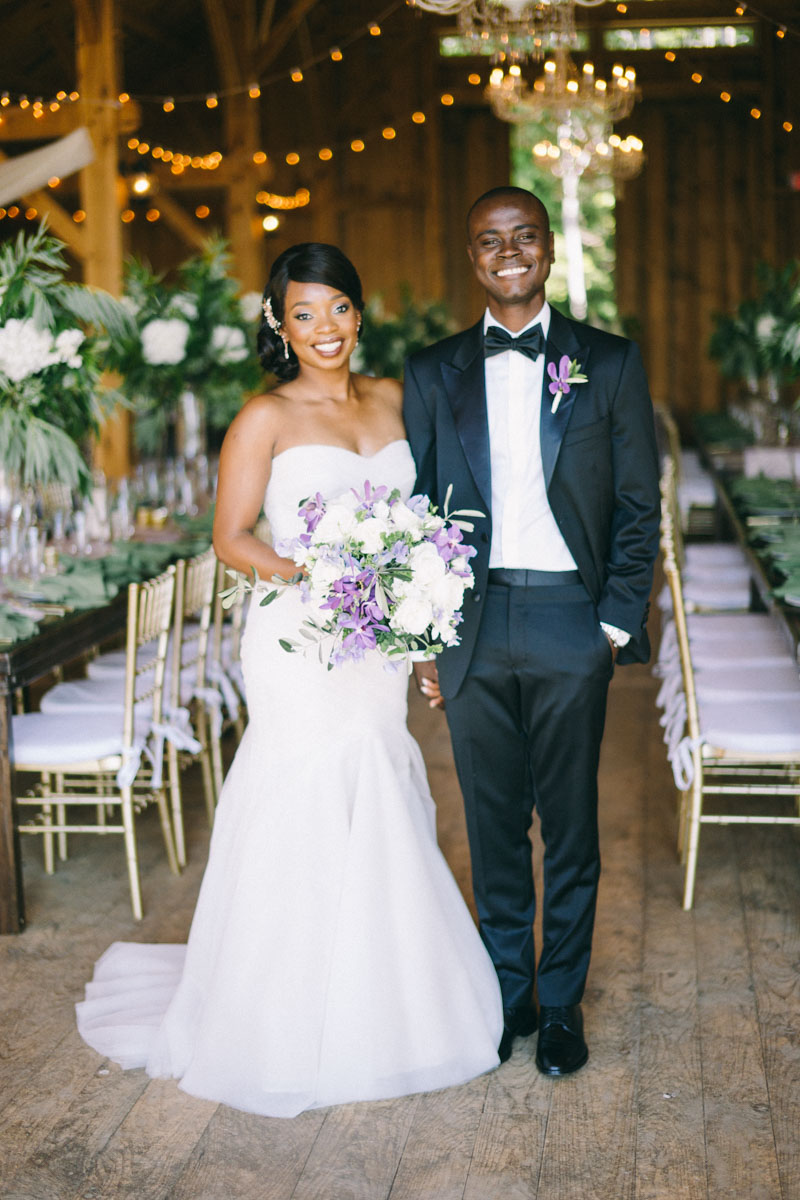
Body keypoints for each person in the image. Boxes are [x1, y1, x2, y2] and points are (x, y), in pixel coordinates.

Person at [76, 243, 503, 1118]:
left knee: (379, 787)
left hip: (377, 644)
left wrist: (417, 631)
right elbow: (231, 536)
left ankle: (389, 1005)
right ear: (279, 323)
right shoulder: (263, 418)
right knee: (303, 793)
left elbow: (421, 526)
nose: (324, 330)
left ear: (359, 311)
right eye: (303, 314)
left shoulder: (395, 400)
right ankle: (276, 1010)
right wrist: (318, 577)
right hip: (299, 636)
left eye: (338, 309)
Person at [403, 186, 660, 1076]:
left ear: (549, 248)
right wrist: (429, 632)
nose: (507, 252)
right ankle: (506, 994)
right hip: (472, 622)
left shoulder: (609, 362)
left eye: (523, 236)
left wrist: (615, 626)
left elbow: (638, 504)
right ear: (471, 257)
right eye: (488, 240)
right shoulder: (431, 371)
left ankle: (561, 1005)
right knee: (492, 822)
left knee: (572, 827)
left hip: (569, 619)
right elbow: (419, 511)